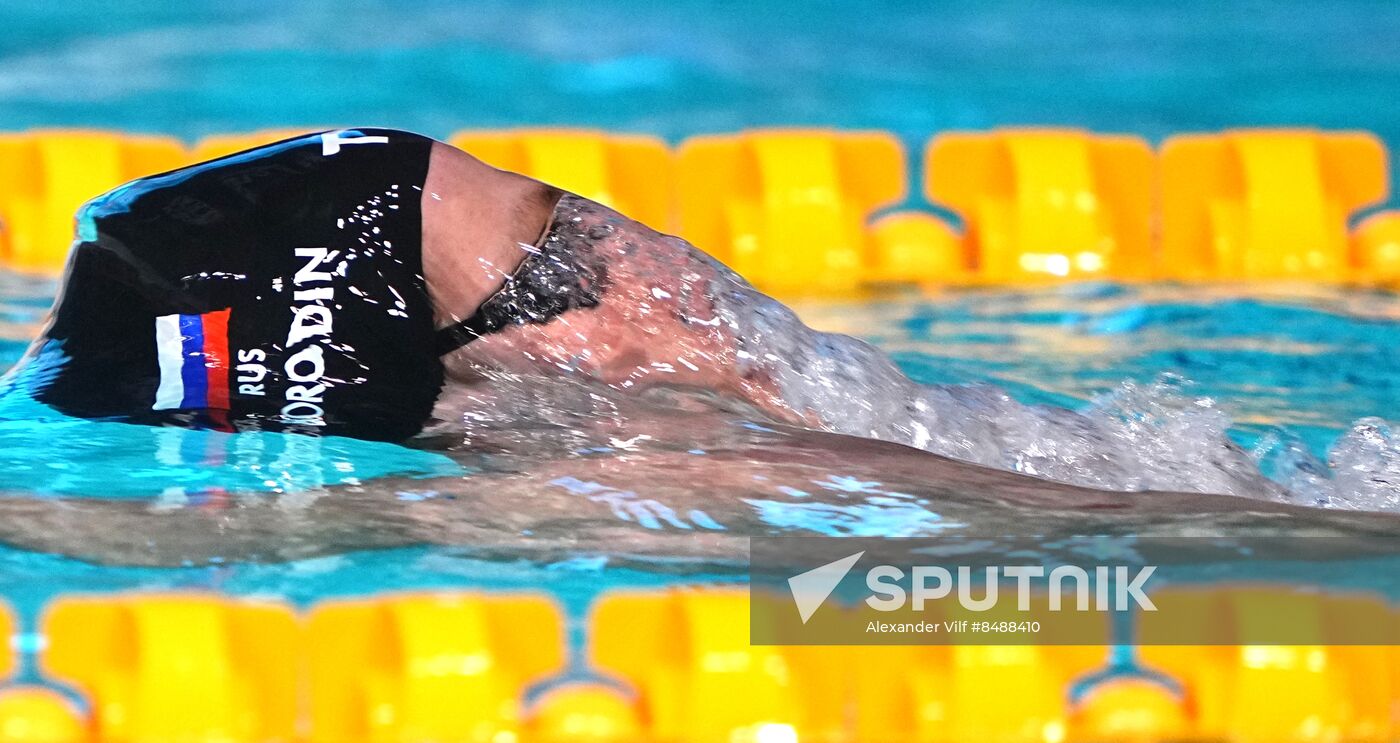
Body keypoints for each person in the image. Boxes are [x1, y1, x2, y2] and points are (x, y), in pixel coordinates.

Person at [14, 127, 799, 442]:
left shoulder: (60, 423)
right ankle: (915, 615)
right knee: (845, 437)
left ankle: (921, 618)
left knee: (802, 496)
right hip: (378, 206)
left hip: (353, 242)